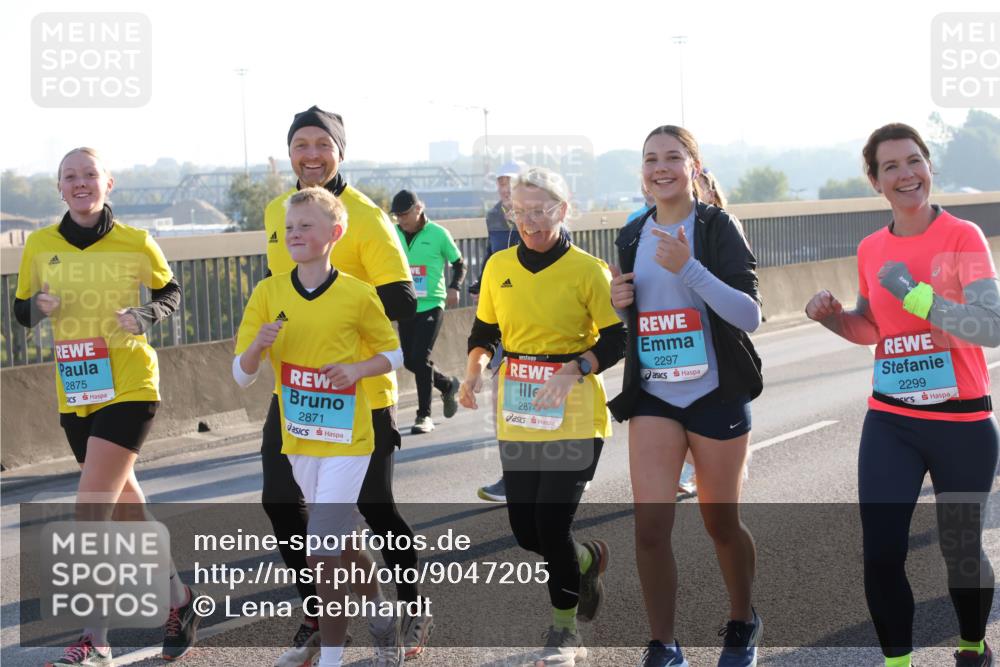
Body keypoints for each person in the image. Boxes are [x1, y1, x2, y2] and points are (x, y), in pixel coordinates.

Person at [806, 123, 998, 667]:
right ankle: (898, 662)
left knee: (960, 549)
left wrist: (919, 298)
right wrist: (833, 319)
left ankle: (971, 647)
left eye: (914, 160)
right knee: (882, 551)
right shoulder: (871, 248)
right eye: (890, 166)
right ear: (875, 181)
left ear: (929, 167)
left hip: (962, 422)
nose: (906, 173)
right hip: (891, 421)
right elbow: (872, 328)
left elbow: (991, 326)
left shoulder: (963, 237)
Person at [14, 147, 201, 666]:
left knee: (91, 507)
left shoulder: (136, 241)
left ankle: (95, 640)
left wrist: (145, 314)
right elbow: (21, 311)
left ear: (108, 183)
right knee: (125, 506)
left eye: (90, 174)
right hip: (77, 388)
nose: (81, 183)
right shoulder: (40, 245)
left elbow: (171, 293)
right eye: (70, 176)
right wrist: (38, 306)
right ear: (59, 187)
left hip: (131, 383)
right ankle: (179, 598)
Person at [261, 106, 431, 664]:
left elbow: (403, 298)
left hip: (360, 391)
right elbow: (282, 285)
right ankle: (320, 613)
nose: (310, 155)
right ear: (289, 153)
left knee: (375, 510)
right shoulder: (278, 212)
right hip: (298, 392)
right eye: (300, 145)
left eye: (322, 145)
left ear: (339, 152)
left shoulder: (366, 216)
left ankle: (411, 606)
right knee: (282, 503)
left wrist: (337, 303)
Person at [608, 125, 764, 667]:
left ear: (693, 167)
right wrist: (618, 302)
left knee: (720, 523)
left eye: (673, 157)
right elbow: (639, 318)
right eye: (651, 159)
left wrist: (690, 268)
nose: (661, 168)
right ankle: (664, 643)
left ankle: (742, 621)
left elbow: (749, 315)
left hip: (715, 392)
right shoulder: (632, 234)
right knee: (650, 528)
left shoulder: (717, 227)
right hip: (655, 395)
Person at [459, 167, 626, 666]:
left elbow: (616, 339)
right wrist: (473, 371)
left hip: (575, 412)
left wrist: (574, 369)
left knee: (551, 525)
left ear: (562, 210)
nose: (529, 221)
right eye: (519, 211)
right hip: (520, 412)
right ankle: (586, 558)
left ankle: (564, 632)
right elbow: (485, 331)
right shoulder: (498, 266)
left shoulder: (588, 270)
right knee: (526, 531)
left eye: (539, 211)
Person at [235, 187, 405, 667]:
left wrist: (357, 370)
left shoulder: (357, 293)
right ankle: (382, 618)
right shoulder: (268, 293)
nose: (294, 234)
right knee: (344, 545)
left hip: (349, 441)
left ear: (335, 233)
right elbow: (242, 375)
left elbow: (394, 354)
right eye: (289, 227)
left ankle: (331, 658)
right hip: (300, 438)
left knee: (321, 549)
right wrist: (257, 347)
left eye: (306, 226)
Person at [389, 189, 465, 434]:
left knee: (420, 358)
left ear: (418, 209)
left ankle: (424, 416)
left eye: (405, 214)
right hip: (406, 305)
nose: (401, 219)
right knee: (410, 360)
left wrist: (454, 287)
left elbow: (459, 263)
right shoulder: (393, 233)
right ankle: (446, 385)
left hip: (432, 303)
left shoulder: (438, 234)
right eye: (397, 215)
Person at [472, 160, 526, 502]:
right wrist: (481, 284)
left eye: (510, 182)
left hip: (539, 318)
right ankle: (511, 477)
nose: (504, 188)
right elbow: (491, 256)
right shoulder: (493, 215)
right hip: (503, 317)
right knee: (502, 398)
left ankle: (568, 468)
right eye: (501, 183)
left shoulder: (540, 211)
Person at [675, 167, 729, 497]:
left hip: (714, 333)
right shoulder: (643, 224)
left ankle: (723, 461)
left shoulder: (721, 224)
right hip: (674, 336)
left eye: (704, 186)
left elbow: (741, 294)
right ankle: (688, 468)